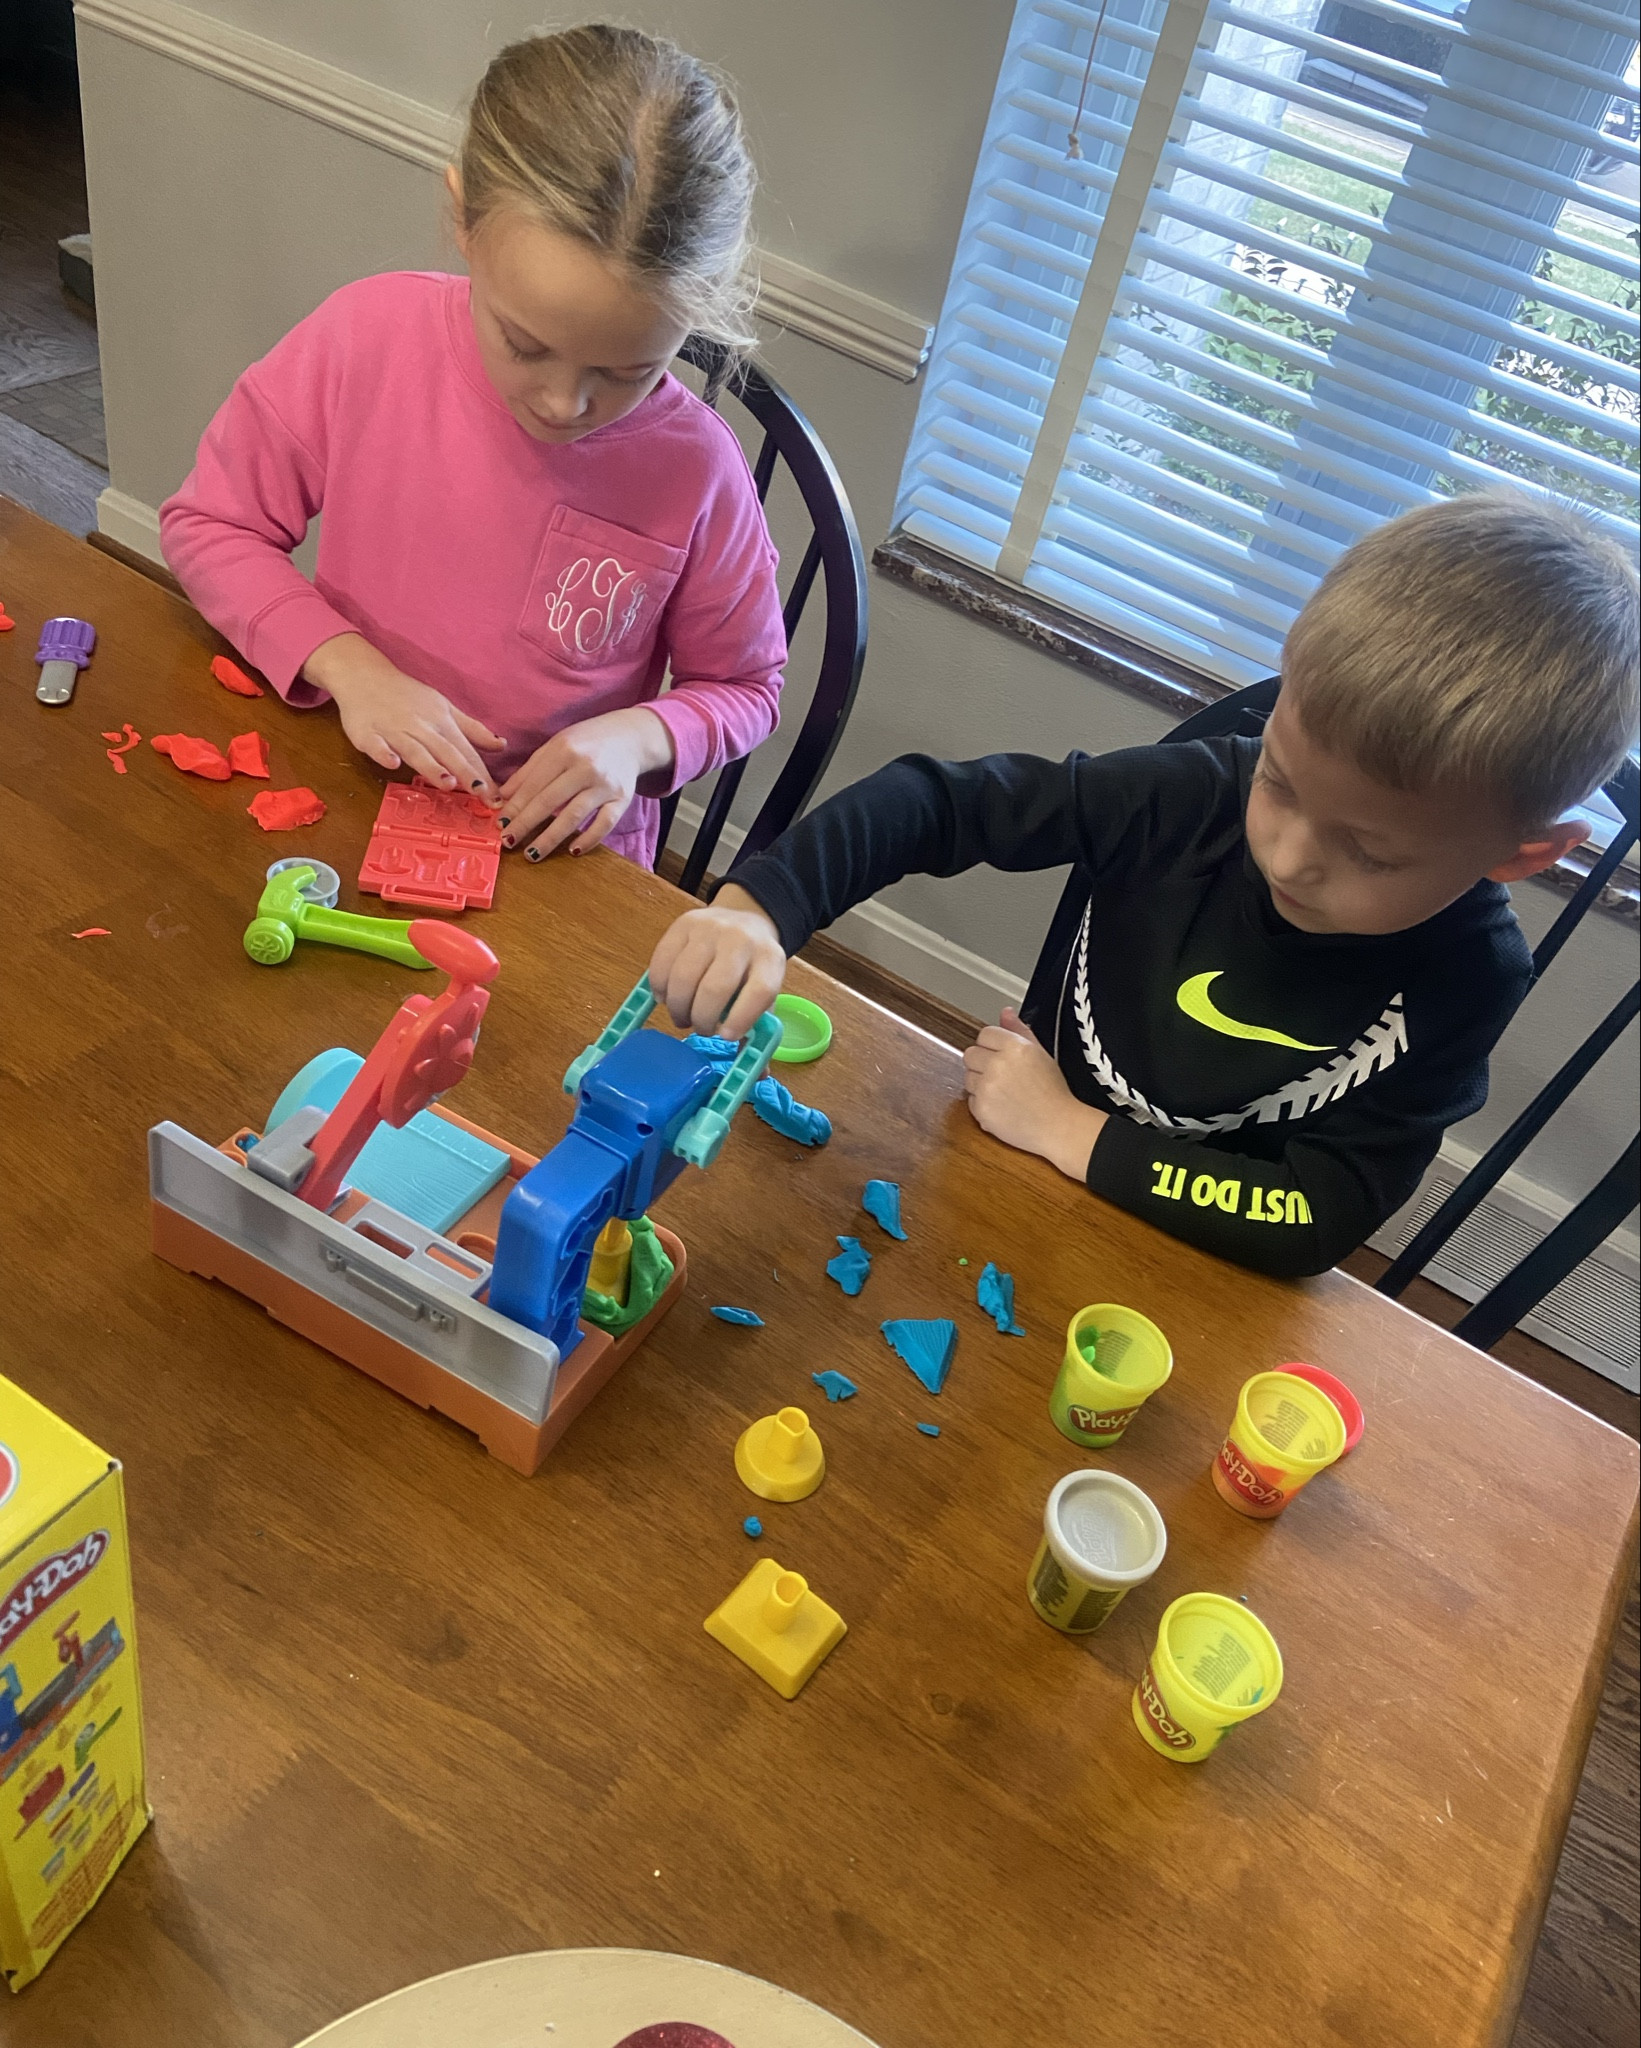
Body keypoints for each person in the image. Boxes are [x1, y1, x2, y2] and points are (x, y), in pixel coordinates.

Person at [648, 491, 1638, 1278]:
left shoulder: (1470, 974)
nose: (1289, 855)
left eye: (1371, 854)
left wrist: (1074, 1129)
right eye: (1280, 781)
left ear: (1522, 854)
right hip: (1001, 1176)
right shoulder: (1189, 797)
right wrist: (762, 906)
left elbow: (1316, 1213)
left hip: (1187, 1261)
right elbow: (939, 804)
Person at [161, 25, 785, 870]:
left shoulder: (696, 471)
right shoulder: (365, 340)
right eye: (524, 344)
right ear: (462, 217)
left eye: (628, 369)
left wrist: (639, 740)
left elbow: (746, 687)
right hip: (344, 779)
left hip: (551, 855)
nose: (565, 403)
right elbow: (211, 525)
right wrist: (348, 666)